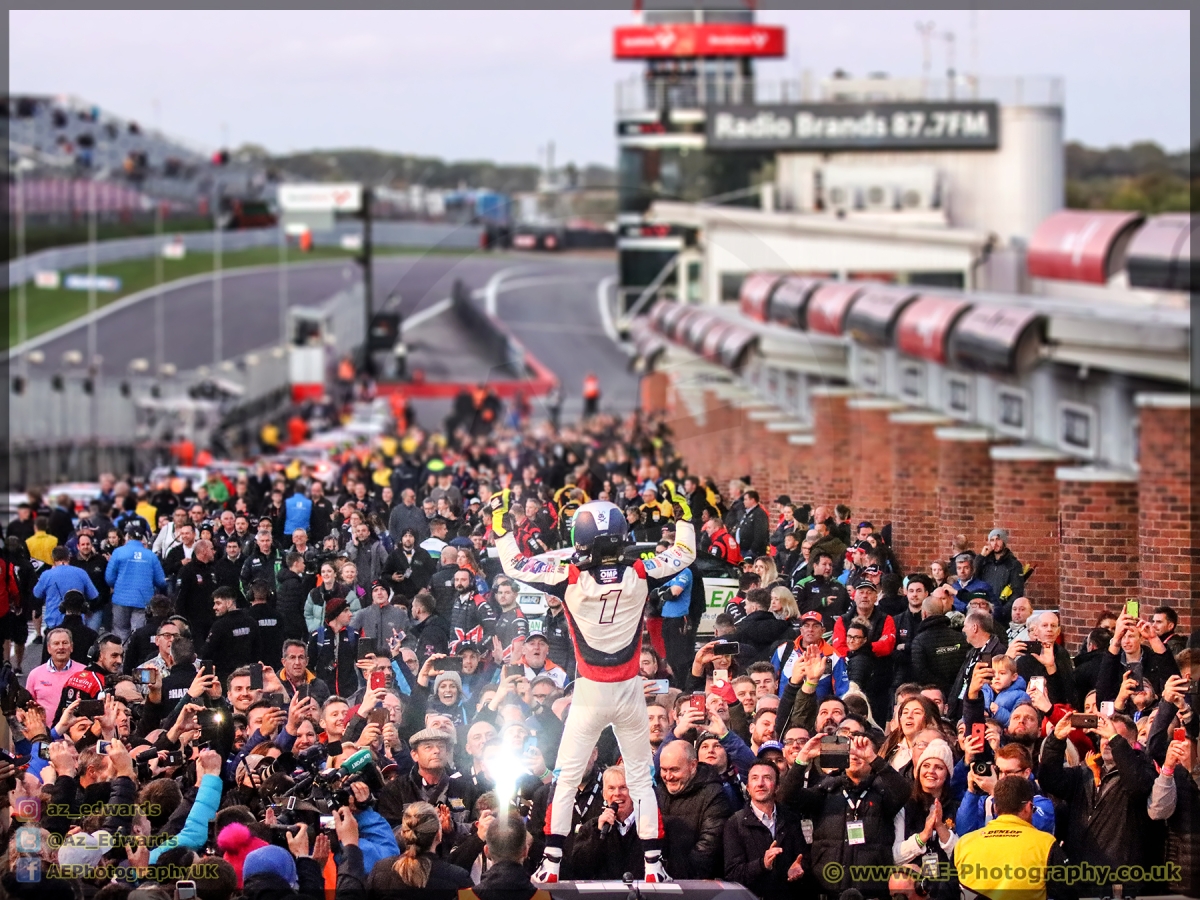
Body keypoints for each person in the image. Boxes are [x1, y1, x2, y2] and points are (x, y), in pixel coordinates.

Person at [491, 487, 696, 883]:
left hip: (588, 692)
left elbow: (515, 564)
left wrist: (501, 526)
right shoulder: (641, 571)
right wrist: (684, 517)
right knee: (640, 778)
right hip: (629, 690)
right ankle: (653, 866)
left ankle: (551, 864)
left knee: (566, 777)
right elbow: (684, 554)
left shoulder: (566, 577)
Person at [953, 776, 1070, 900]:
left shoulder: (964, 843)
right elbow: (1067, 893)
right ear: (1028, 807)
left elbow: (946, 894)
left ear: (996, 808)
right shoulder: (1045, 844)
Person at [722, 760, 807, 899]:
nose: (760, 784)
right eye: (754, 778)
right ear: (748, 787)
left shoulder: (790, 818)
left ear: (777, 787)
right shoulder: (735, 823)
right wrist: (762, 864)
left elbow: (803, 857)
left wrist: (800, 867)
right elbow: (733, 874)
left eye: (767, 778)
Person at [657, 740, 733, 880]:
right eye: (664, 769)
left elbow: (708, 847)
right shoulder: (657, 792)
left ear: (692, 766)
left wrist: (676, 877)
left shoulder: (714, 795)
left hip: (696, 885)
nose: (668, 776)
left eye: (674, 769)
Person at [105, 523, 167, 639]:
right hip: (143, 599)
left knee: (120, 631)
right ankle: (134, 655)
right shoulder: (151, 556)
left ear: (128, 537)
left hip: (121, 598)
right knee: (138, 632)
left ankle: (120, 655)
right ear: (142, 538)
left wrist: (118, 586)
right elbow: (161, 581)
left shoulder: (118, 552)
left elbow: (109, 577)